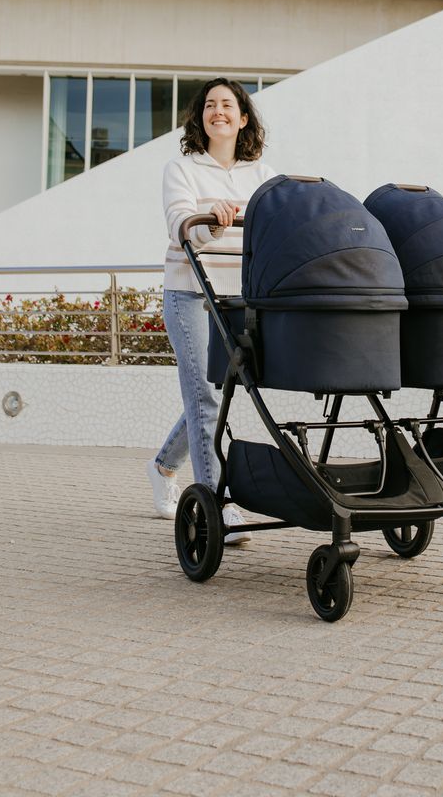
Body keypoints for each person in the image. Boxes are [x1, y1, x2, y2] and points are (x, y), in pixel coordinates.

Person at [146, 78, 276, 544]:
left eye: (228, 104)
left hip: (237, 297)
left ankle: (163, 466)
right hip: (189, 293)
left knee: (216, 396)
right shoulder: (181, 169)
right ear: (200, 117)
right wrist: (211, 226)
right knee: (203, 396)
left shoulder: (262, 175)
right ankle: (219, 503)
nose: (217, 111)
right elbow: (180, 226)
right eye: (209, 105)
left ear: (243, 118)